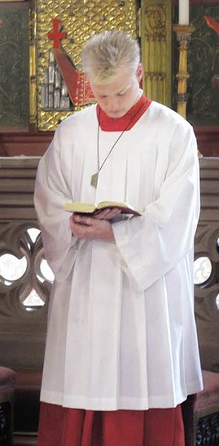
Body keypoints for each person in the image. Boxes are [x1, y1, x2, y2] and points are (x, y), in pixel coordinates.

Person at [34, 30, 203, 445]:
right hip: (87, 279)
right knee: (83, 377)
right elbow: (49, 195)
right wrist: (69, 224)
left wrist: (119, 234)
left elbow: (178, 215)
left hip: (144, 290)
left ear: (140, 74)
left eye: (120, 93)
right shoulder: (71, 131)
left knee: (139, 378)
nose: (110, 105)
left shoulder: (173, 132)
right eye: (100, 94)